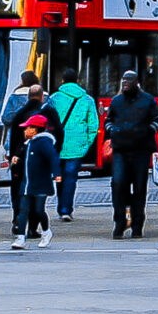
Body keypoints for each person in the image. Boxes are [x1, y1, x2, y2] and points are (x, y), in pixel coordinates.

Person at [102, 68, 158, 239]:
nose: (125, 84)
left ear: (136, 83)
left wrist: (149, 130)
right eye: (123, 81)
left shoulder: (147, 100)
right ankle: (120, 221)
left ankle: (137, 224)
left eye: (129, 81)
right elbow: (108, 120)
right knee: (118, 183)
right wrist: (112, 130)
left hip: (141, 149)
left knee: (140, 187)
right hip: (120, 148)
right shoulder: (117, 101)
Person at [44, 69, 102, 222]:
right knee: (71, 178)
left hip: (56, 143)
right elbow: (93, 124)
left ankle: (60, 207)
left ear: (62, 80)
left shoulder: (54, 98)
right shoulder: (87, 99)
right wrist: (86, 143)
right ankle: (66, 209)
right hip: (77, 144)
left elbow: (46, 120)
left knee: (59, 175)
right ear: (78, 80)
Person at [0, 73, 46, 237]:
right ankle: (33, 225)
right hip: (39, 153)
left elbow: (5, 118)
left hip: (17, 150)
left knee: (17, 187)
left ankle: (17, 219)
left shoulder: (14, 97)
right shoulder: (46, 100)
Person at [12, 113, 57, 249]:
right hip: (27, 184)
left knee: (39, 210)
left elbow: (53, 158)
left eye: (28, 128)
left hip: (40, 183)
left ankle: (46, 231)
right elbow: (24, 161)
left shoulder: (43, 143)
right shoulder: (28, 144)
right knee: (23, 210)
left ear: (36, 129)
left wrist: (57, 173)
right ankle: (20, 238)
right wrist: (16, 160)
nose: (25, 131)